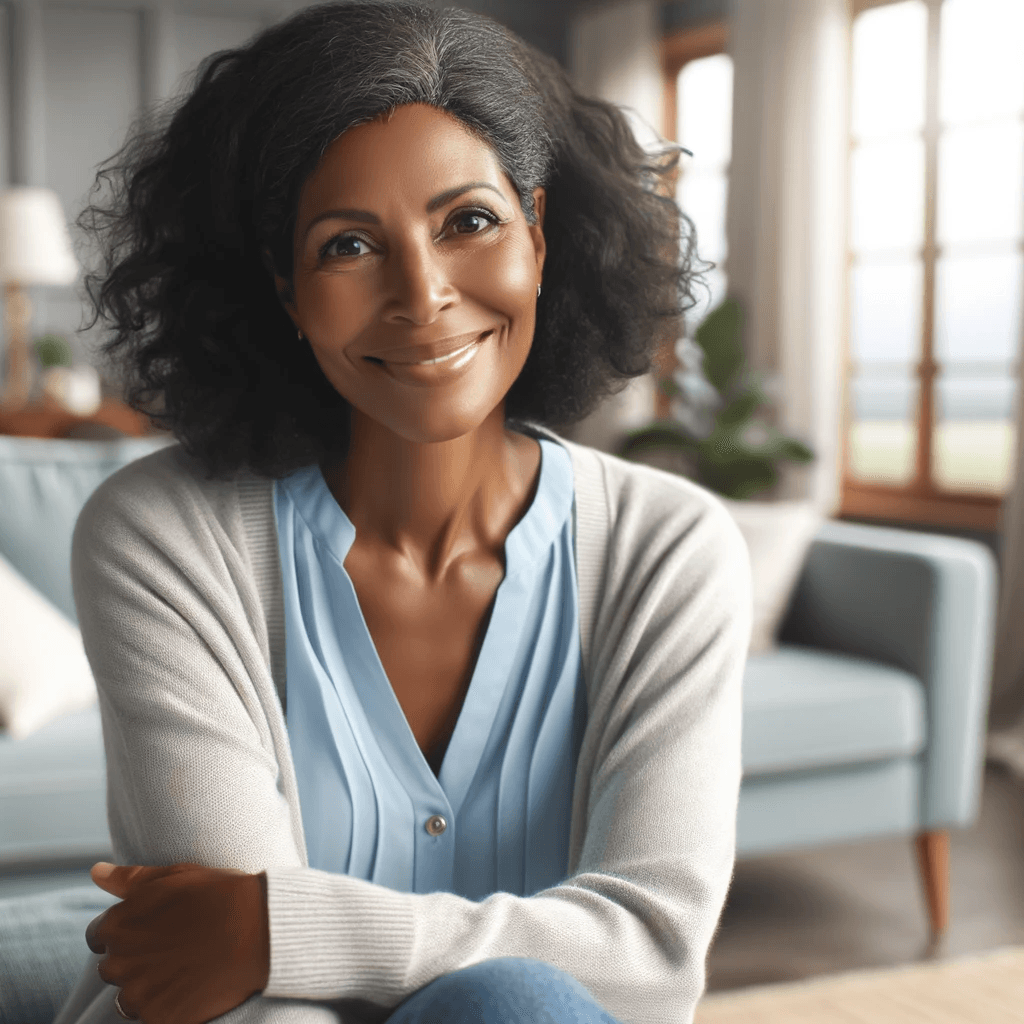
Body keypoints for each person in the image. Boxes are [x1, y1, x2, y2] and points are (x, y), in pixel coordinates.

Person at [50, 2, 752, 1022]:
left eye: (468, 221)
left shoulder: (669, 549)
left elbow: (652, 957)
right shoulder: (159, 536)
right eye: (346, 246)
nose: (422, 297)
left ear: (539, 235)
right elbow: (228, 984)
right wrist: (262, 945)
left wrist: (285, 931)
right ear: (284, 288)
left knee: (521, 1005)